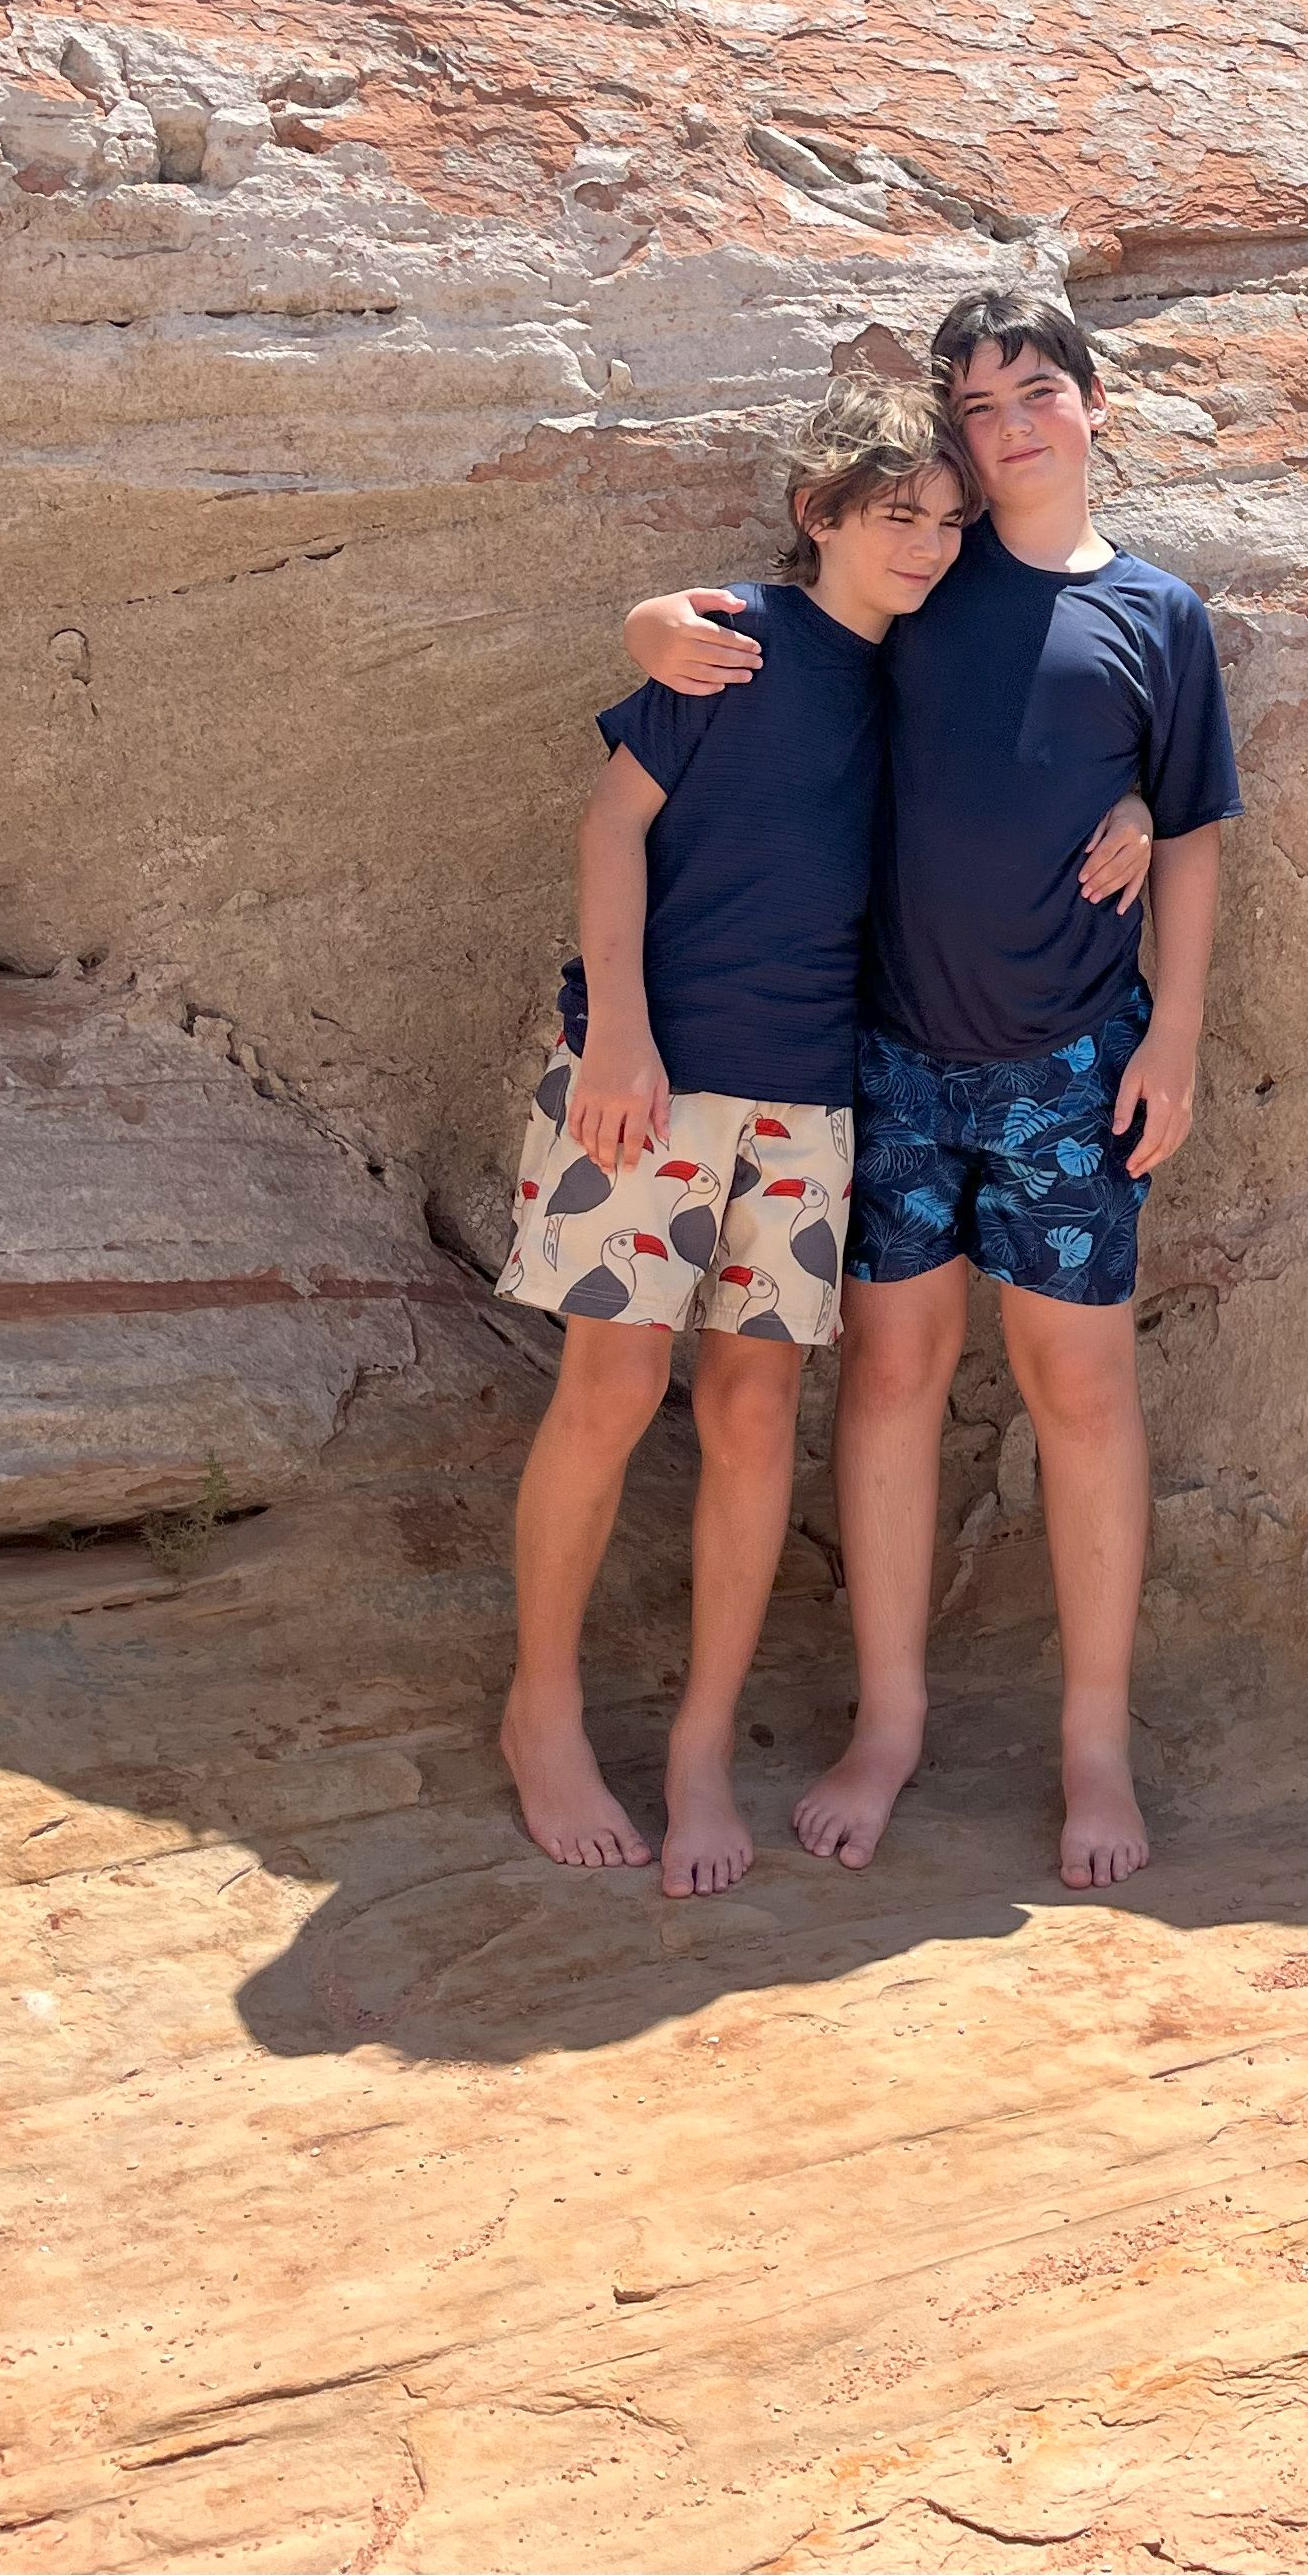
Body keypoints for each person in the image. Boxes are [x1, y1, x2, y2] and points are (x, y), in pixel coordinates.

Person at [620, 282, 1239, 1891]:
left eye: (1038, 391)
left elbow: (1190, 829)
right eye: (978, 406)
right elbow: (759, 626)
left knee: (1080, 1389)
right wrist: (645, 630)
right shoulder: (927, 578)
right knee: (889, 1379)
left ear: (1093, 405)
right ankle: (887, 1722)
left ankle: (1092, 1745)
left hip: (1074, 1066)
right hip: (891, 1061)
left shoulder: (1157, 617)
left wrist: (1175, 1033)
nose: (1010, 425)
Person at [496, 377, 1149, 1897]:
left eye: (946, 521)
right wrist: (625, 1032)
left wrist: (1132, 802)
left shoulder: (924, 674)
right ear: (820, 517)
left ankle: (703, 1750)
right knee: (605, 1391)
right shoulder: (739, 643)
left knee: (751, 1416)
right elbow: (611, 828)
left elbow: (1051, 730)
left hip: (815, 1103)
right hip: (646, 1078)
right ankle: (543, 1713)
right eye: (896, 517)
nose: (927, 546)